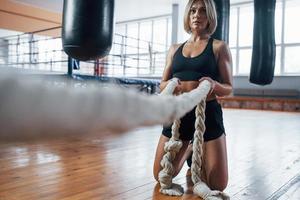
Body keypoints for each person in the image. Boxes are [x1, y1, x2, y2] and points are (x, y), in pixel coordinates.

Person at [153, 0, 232, 192]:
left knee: (217, 184)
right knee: (160, 175)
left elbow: (229, 88)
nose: (197, 15)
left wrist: (214, 85)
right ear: (188, 16)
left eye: (203, 11)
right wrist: (173, 84)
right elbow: (161, 85)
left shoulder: (218, 47)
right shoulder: (174, 49)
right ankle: (189, 148)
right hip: (178, 115)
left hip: (207, 116)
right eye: (193, 11)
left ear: (210, 16)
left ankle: (200, 146)